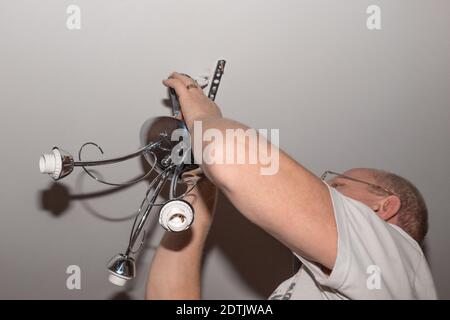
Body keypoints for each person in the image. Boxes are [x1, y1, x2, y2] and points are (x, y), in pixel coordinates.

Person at [145, 72, 437, 300]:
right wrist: (202, 188)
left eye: (338, 184)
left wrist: (203, 118)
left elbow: (227, 152)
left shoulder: (397, 260)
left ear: (384, 205)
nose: (325, 189)